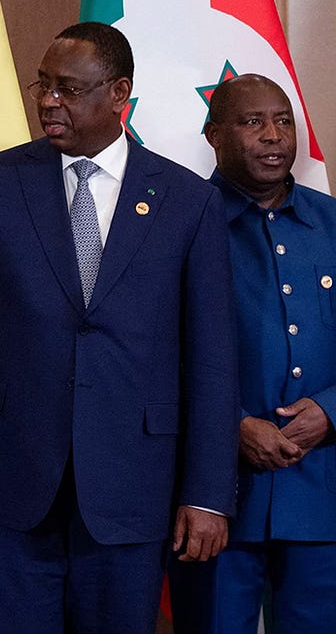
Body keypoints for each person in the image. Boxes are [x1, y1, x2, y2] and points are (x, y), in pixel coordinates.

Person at [0, 22, 239, 634]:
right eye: (43, 85)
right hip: (7, 485)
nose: (48, 101)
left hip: (133, 487)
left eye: (68, 88)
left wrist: (207, 492)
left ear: (119, 93)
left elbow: (212, 363)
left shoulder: (187, 201)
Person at [165, 74, 336, 633]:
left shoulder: (332, 222)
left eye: (283, 121)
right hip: (215, 497)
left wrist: (331, 410)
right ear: (214, 135)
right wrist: (232, 424)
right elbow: (148, 355)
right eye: (253, 122)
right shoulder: (176, 224)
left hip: (322, 494)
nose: (273, 136)